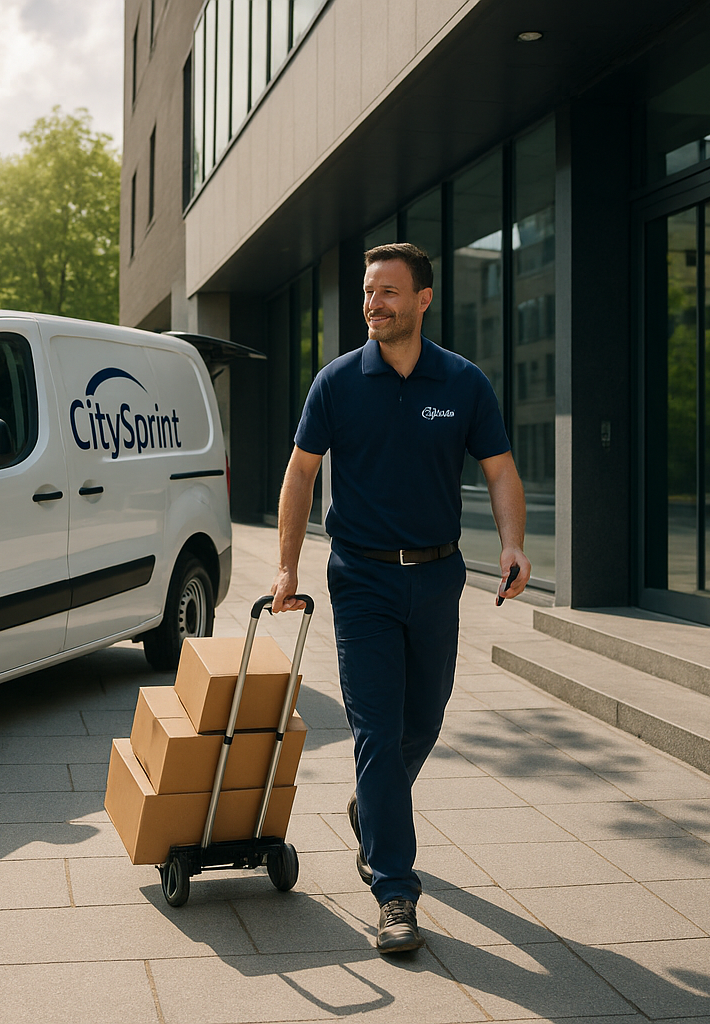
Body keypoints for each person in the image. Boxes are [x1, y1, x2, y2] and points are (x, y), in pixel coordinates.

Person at [269, 242, 530, 954]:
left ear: (423, 299)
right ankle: (394, 892)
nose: (373, 304)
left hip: (439, 577)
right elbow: (300, 473)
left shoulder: (463, 382)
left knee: (425, 719)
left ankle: (372, 805)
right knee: (378, 732)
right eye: (367, 292)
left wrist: (512, 544)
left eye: (388, 291)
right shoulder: (337, 383)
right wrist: (287, 567)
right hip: (362, 579)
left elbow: (500, 470)